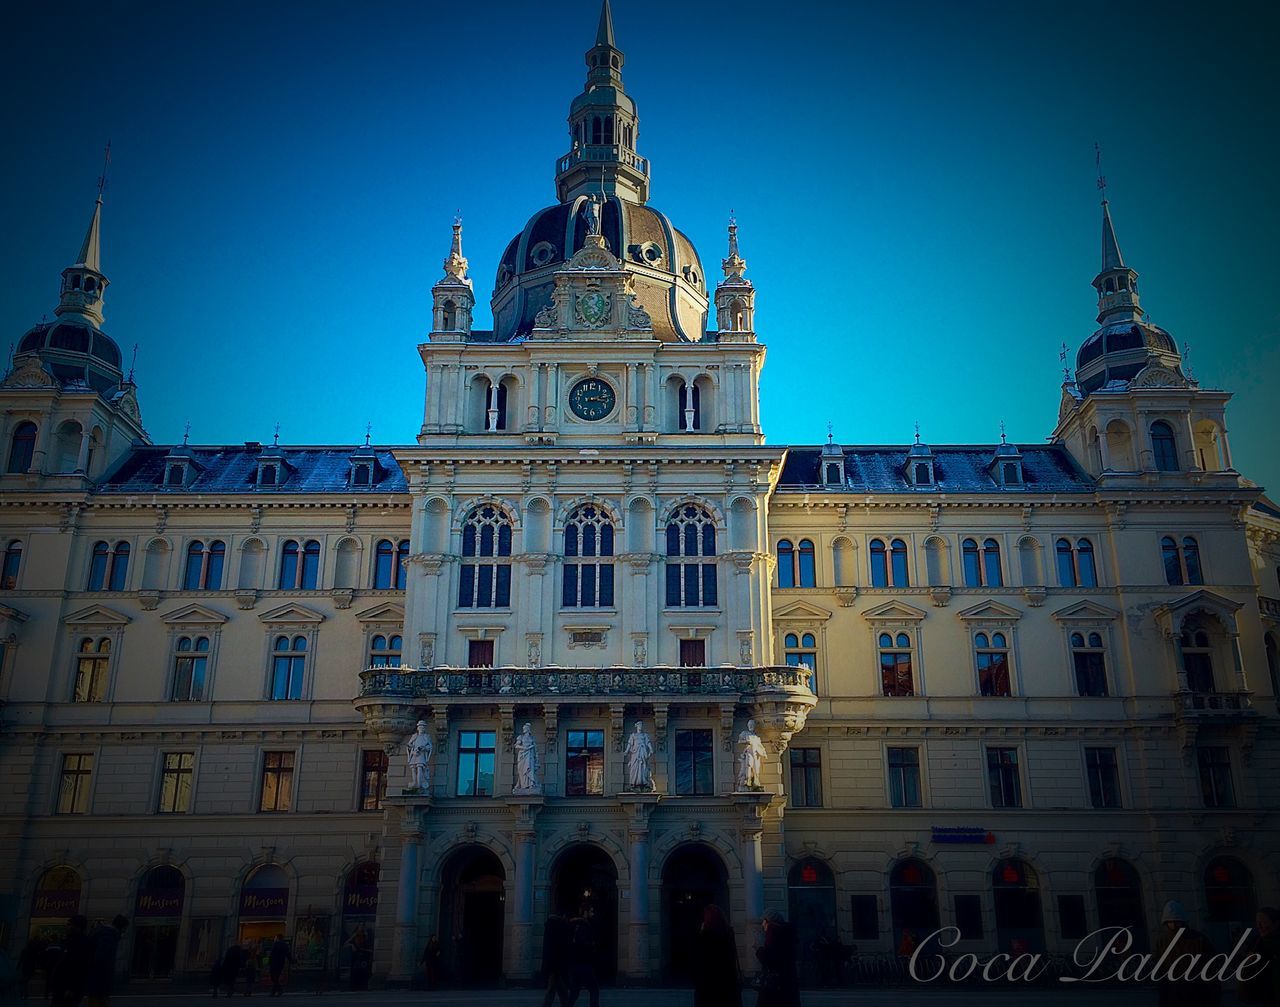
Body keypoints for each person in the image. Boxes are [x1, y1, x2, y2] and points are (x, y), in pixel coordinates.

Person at [1154, 900, 1220, 1007]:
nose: (1174, 925)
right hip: (1173, 996)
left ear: (1183, 921)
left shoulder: (1199, 940)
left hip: (1197, 995)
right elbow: (1161, 974)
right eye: (1170, 922)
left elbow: (1212, 971)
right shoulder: (1162, 942)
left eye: (1177, 921)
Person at [693, 904, 740, 1007]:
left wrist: (701, 933)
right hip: (727, 983)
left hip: (709, 985)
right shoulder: (728, 933)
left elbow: (699, 959)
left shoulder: (706, 936)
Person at [755, 910, 799, 1007]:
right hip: (786, 984)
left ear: (768, 922)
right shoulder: (787, 933)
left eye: (764, 921)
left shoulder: (773, 934)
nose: (762, 924)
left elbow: (769, 959)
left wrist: (759, 948)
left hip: (775, 985)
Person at [1239, 907, 1280, 1007]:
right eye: (1257, 922)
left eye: (1264, 922)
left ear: (1276, 923)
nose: (1259, 926)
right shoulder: (1256, 942)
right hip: (1263, 995)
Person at [85, 915, 128, 1007]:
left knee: (95, 1000)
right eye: (125, 929)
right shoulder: (109, 935)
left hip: (94, 976)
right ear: (122, 927)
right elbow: (102, 959)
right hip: (99, 978)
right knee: (99, 1000)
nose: (124, 931)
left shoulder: (102, 932)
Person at [53, 916, 92, 1007]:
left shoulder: (81, 943)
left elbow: (79, 966)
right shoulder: (69, 940)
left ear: (77, 927)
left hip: (69, 987)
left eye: (69, 925)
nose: (66, 926)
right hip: (63, 985)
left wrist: (71, 988)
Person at [566, 909, 599, 1007]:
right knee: (594, 989)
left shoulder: (571, 926)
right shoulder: (582, 926)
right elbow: (583, 945)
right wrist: (591, 946)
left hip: (575, 965)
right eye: (590, 911)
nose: (592, 913)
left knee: (574, 992)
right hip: (584, 965)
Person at [539, 914, 570, 1007]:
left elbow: (548, 950)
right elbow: (558, 950)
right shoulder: (557, 929)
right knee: (554, 990)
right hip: (556, 966)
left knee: (558, 990)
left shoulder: (550, 928)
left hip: (553, 966)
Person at [624, 722, 654, 791]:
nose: (640, 726)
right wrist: (626, 751)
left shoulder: (644, 735)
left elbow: (648, 742)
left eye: (641, 725)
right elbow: (630, 743)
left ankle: (644, 782)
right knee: (634, 767)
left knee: (643, 767)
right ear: (636, 726)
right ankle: (634, 783)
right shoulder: (633, 735)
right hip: (635, 753)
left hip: (643, 752)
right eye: (639, 725)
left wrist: (651, 749)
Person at [344, 926, 370, 991]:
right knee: (355, 971)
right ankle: (354, 986)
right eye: (359, 931)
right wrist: (352, 945)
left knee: (362, 971)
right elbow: (345, 944)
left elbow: (368, 946)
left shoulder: (365, 937)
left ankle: (362, 986)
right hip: (355, 957)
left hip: (363, 957)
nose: (360, 933)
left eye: (361, 931)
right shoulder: (354, 938)